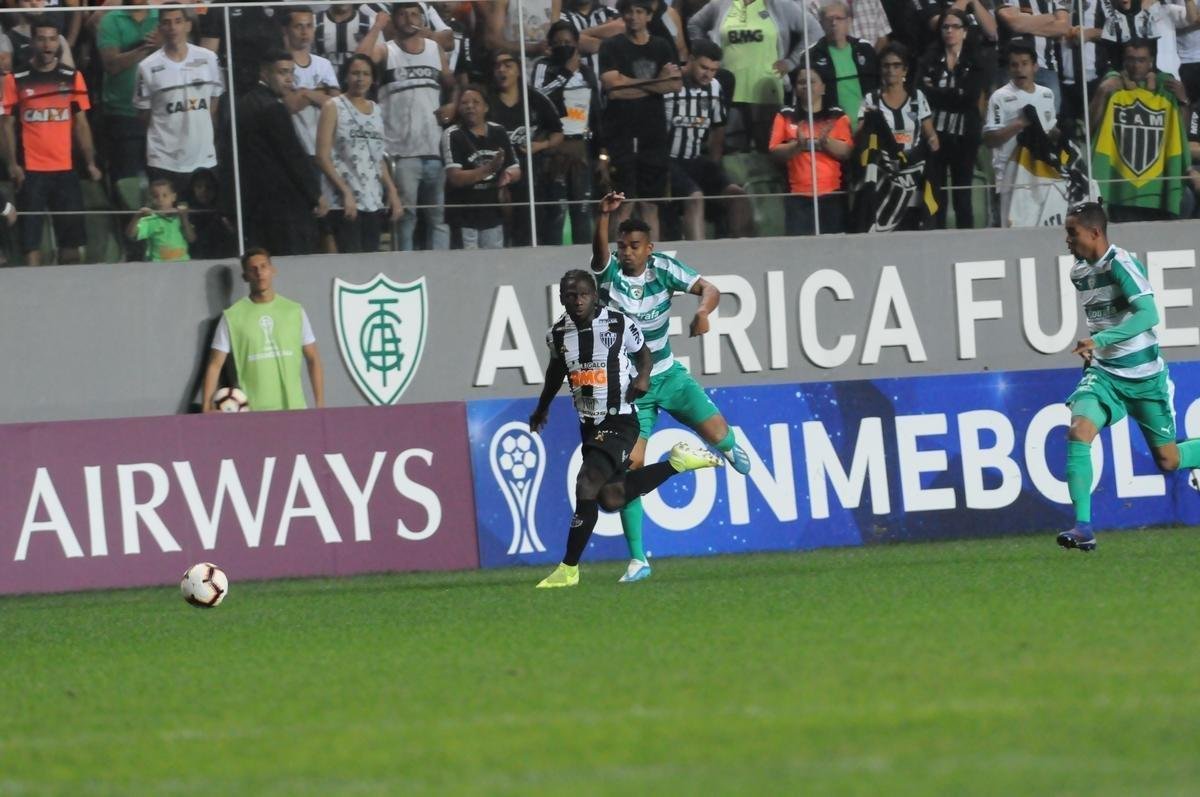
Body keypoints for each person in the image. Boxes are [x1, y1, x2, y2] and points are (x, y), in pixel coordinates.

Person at [589, 191, 752, 582]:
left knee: (719, 434)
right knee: (628, 470)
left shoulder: (663, 269)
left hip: (669, 375)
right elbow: (598, 255)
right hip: (632, 390)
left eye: (634, 246)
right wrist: (603, 216)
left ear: (649, 248)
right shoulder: (610, 276)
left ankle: (728, 446)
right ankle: (638, 560)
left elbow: (710, 289)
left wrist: (702, 312)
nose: (627, 252)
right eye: (622, 246)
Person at [530, 269, 724, 588]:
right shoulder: (558, 334)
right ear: (561, 298)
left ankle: (568, 569)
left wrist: (643, 378)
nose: (577, 301)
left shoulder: (618, 323)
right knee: (611, 498)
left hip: (620, 419)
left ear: (594, 296)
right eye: (570, 295)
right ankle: (676, 463)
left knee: (586, 483)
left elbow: (644, 355)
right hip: (589, 425)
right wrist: (542, 408)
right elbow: (556, 371)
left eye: (583, 294)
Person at [1057, 202, 1200, 552]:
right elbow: (1102, 320)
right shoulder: (1079, 272)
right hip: (1105, 376)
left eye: (1072, 233)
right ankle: (1083, 528)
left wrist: (1100, 340)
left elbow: (1148, 315)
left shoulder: (1121, 263)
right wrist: (1095, 351)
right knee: (1078, 431)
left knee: (1169, 460)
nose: (1067, 240)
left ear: (1095, 232)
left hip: (1145, 378)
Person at [1, 15, 100, 266]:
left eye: (52, 39)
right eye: (42, 39)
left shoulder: (72, 77)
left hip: (65, 169)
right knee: (30, 241)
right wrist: (12, 164)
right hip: (30, 171)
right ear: (32, 42)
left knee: (71, 241)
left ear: (59, 42)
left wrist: (90, 162)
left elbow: (81, 123)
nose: (47, 45)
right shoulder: (16, 78)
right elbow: (7, 125)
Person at [358, 3, 454, 251]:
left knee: (438, 218)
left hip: (434, 149)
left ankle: (441, 266)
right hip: (401, 153)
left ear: (422, 18)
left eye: (414, 14)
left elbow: (451, 84)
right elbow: (360, 61)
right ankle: (405, 266)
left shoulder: (434, 48)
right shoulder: (386, 50)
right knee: (406, 217)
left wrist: (452, 105)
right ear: (394, 20)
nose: (409, 19)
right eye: (402, 14)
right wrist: (377, 26)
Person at [686, 0, 820, 152]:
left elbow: (815, 31)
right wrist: (708, 52)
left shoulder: (780, 5)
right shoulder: (720, 4)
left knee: (769, 151)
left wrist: (791, 62)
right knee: (731, 152)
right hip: (729, 93)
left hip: (766, 94)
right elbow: (694, 24)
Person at [202, 248, 325, 414]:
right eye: (253, 269)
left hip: (295, 410)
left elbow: (313, 358)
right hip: (254, 415)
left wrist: (320, 405)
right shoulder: (231, 317)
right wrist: (206, 408)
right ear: (245, 277)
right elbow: (215, 365)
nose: (259, 273)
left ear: (272, 270)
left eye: (263, 266)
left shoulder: (294, 311)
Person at [598, 0, 682, 241]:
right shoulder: (611, 46)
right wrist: (657, 82)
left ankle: (650, 256)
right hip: (620, 133)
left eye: (639, 11)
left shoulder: (661, 46)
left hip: (653, 134)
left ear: (649, 15)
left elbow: (675, 84)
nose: (633, 16)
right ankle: (617, 256)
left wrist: (627, 84)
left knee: (650, 203)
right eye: (628, 12)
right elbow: (612, 87)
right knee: (622, 203)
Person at [236, 50, 329, 255]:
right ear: (265, 73)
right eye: (282, 72)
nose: (289, 79)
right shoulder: (272, 107)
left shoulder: (244, 103)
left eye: (291, 72)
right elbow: (292, 155)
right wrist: (314, 194)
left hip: (254, 203)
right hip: (283, 206)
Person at [1089, 39, 1191, 221]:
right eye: (1131, 59)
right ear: (1123, 61)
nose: (1135, 65)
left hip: (1156, 190)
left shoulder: (1165, 89)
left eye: (1141, 60)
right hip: (1120, 188)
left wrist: (1183, 101)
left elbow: (1180, 132)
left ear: (1151, 62)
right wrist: (1102, 92)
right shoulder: (1111, 87)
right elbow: (1091, 127)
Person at [664, 40, 753, 239]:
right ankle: (699, 255)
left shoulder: (714, 87)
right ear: (690, 60)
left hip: (696, 159)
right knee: (695, 197)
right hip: (667, 161)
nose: (708, 74)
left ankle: (744, 252)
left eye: (713, 70)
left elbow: (718, 127)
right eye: (704, 67)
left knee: (737, 195)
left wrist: (714, 164)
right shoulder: (668, 85)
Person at [315, 53, 404, 253]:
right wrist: (345, 191)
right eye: (355, 73)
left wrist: (392, 191)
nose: (360, 78)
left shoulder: (376, 109)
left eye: (366, 74)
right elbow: (322, 156)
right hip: (343, 201)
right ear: (346, 76)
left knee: (370, 259)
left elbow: (378, 157)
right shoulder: (333, 106)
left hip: (372, 200)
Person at [133, 4, 224, 197]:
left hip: (203, 158)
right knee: (167, 215)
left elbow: (214, 101)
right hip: (163, 160)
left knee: (204, 214)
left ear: (188, 25)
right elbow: (144, 114)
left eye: (178, 21)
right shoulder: (147, 67)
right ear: (160, 28)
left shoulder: (208, 59)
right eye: (166, 23)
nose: (172, 27)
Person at [531, 20, 601, 245]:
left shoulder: (587, 72)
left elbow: (596, 111)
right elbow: (538, 97)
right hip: (554, 146)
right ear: (550, 45)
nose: (564, 46)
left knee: (583, 211)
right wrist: (564, 74)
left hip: (581, 147)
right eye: (558, 42)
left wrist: (600, 153)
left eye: (568, 42)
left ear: (577, 44)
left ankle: (586, 258)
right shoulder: (543, 66)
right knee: (556, 212)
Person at [917, 7, 987, 230]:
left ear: (965, 31)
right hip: (935, 134)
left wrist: (937, 92)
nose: (949, 31)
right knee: (936, 193)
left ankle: (967, 240)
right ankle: (937, 236)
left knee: (962, 194)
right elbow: (921, 93)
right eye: (945, 27)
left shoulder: (975, 60)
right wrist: (953, 93)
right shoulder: (929, 58)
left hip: (965, 135)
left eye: (955, 26)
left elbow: (970, 97)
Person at [487, 50, 563, 246]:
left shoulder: (535, 99)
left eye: (508, 65)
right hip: (495, 176)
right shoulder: (487, 100)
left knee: (529, 229)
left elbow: (558, 133)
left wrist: (541, 145)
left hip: (530, 175)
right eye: (497, 66)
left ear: (518, 70)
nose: (502, 70)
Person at [768, 66, 853, 235]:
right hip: (797, 197)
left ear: (823, 88)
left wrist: (826, 142)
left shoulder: (836, 115)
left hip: (832, 195)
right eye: (801, 82)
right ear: (795, 88)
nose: (806, 86)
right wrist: (797, 146)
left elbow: (846, 151)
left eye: (812, 81)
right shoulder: (785, 115)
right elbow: (774, 151)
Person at [982, 39, 1057, 226]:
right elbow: (990, 140)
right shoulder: (1000, 97)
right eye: (1014, 65)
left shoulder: (1047, 94)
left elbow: (1050, 130)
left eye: (1024, 64)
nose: (1019, 70)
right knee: (1013, 234)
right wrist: (1019, 124)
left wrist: (1059, 134)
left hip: (1041, 176)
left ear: (1035, 66)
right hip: (1011, 179)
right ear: (1008, 69)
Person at [441, 85, 520, 248]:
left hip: (493, 214)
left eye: (476, 102)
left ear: (486, 107)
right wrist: (489, 169)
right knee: (468, 262)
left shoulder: (499, 131)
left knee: (494, 260)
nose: (470, 106)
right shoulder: (452, 134)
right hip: (463, 216)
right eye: (464, 103)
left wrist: (508, 176)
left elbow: (515, 168)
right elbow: (455, 177)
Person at [96, 0, 158, 181]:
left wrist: (163, 45)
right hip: (123, 113)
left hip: (161, 114)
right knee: (126, 181)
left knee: (163, 183)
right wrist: (147, 47)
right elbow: (111, 65)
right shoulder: (110, 20)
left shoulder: (161, 16)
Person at [806, 0, 878, 130]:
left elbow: (878, 87)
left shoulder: (865, 49)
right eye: (829, 19)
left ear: (849, 21)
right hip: (831, 130)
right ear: (821, 23)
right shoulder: (811, 55)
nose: (834, 23)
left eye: (839, 18)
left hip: (867, 127)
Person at [281, 6, 341, 158]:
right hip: (295, 149)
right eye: (298, 26)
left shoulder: (324, 64)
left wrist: (305, 92)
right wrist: (320, 91)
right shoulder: (281, 66)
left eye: (309, 26)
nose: (304, 32)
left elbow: (338, 104)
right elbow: (291, 105)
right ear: (285, 30)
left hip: (326, 148)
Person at [997, 0, 1069, 112]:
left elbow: (1063, 28)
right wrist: (1050, 17)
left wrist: (1025, 23)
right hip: (1015, 68)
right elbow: (1015, 25)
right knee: (1012, 114)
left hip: (1047, 67)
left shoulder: (1053, 1)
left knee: (1049, 115)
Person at [126, 177, 195, 261]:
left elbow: (191, 239)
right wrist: (137, 217)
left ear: (173, 197)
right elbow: (131, 235)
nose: (160, 199)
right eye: (155, 196)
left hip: (183, 264)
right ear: (150, 199)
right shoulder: (150, 219)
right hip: (158, 266)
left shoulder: (180, 218)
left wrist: (184, 218)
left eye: (165, 195)